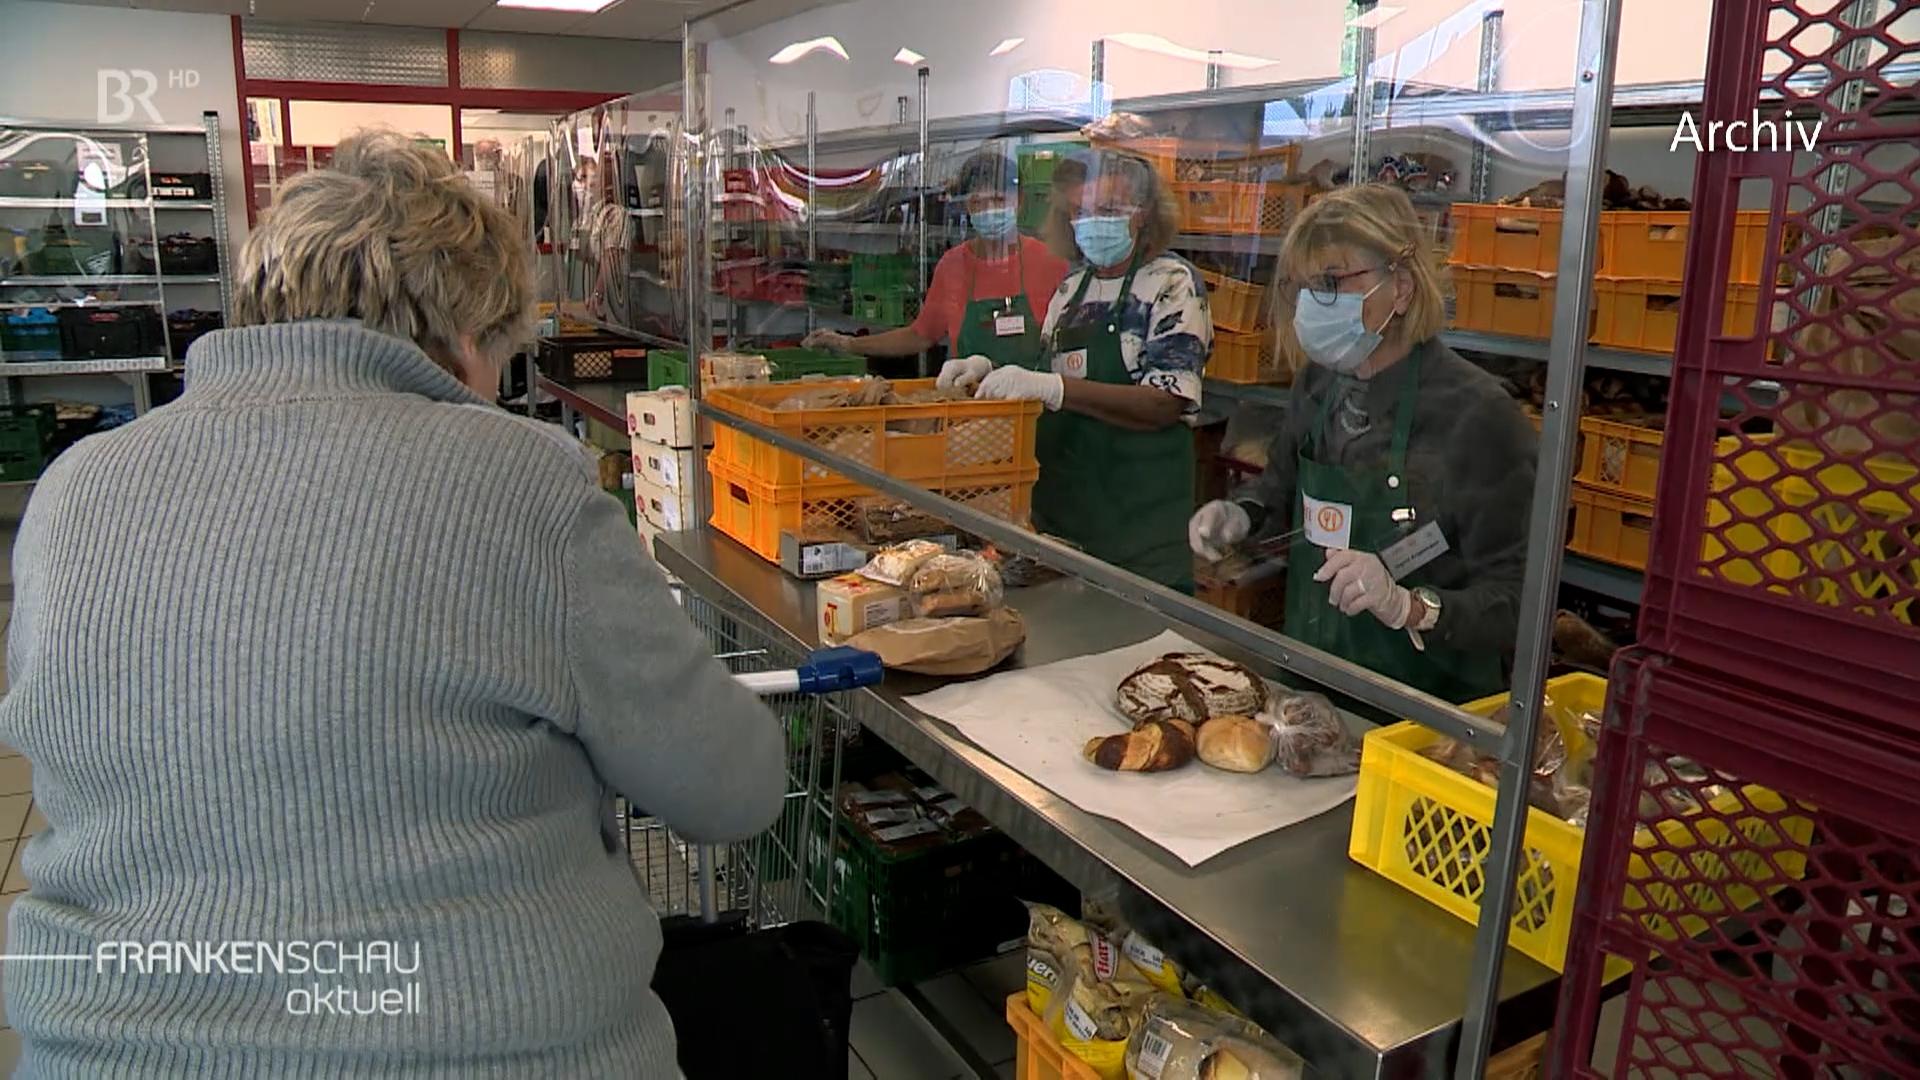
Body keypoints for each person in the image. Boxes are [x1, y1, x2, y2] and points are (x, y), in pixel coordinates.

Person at [0, 131, 785, 1077]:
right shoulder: (517, 480)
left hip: (104, 1041)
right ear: (466, 333)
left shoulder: (76, 484)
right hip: (471, 1040)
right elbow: (727, 792)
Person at [1188, 184, 1537, 703]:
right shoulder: (1318, 384)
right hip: (1312, 680)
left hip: (1426, 707)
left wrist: (1410, 607)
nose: (1313, 303)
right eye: (1303, 286)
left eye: (1332, 282)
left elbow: (1519, 602)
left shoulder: (1478, 415)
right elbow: (1281, 492)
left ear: (1399, 287)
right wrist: (1243, 515)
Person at [950, 150, 1212, 593]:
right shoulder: (1073, 288)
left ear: (1143, 216)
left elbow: (1166, 401)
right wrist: (990, 372)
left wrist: (1054, 388)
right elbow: (1046, 375)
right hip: (1062, 524)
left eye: (1107, 210)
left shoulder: (1171, 284)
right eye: (1080, 211)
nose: (1091, 222)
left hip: (1138, 530)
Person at [804, 149, 1067, 373]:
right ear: (967, 207)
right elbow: (920, 335)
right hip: (970, 415)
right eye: (978, 202)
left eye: (998, 200)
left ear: (1019, 201)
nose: (989, 211)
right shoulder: (953, 266)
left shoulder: (1051, 262)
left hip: (1035, 417)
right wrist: (848, 344)